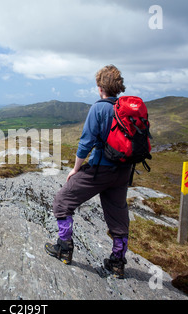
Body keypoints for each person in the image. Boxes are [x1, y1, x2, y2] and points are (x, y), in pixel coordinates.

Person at [45, 65, 131, 279]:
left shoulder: (99, 108)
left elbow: (86, 143)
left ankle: (64, 248)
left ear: (101, 87)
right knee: (118, 217)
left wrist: (75, 169)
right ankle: (117, 263)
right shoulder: (127, 109)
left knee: (62, 201)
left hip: (101, 169)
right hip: (123, 172)